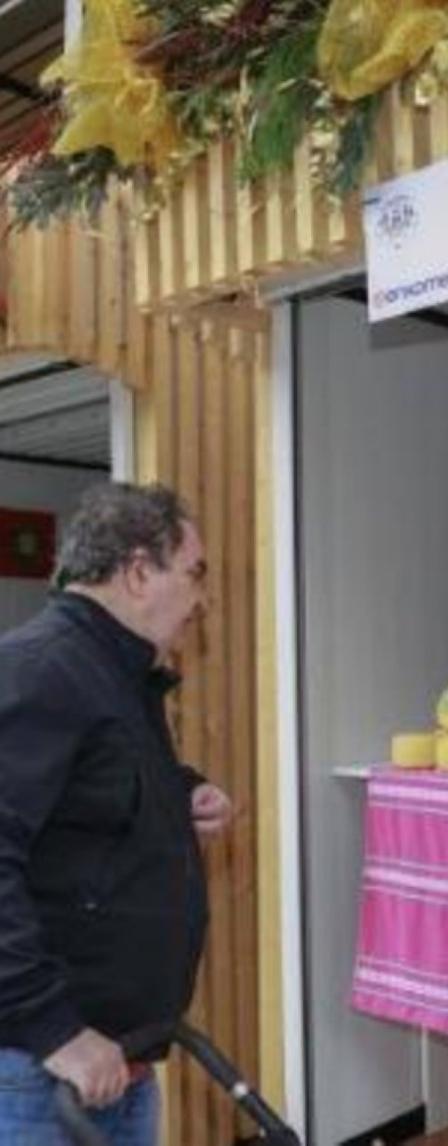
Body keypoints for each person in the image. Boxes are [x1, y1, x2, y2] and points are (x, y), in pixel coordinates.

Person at [0, 482, 232, 1144]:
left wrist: (180, 793)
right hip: (47, 1071)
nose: (201, 601)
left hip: (117, 1063)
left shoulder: (117, 675)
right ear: (136, 572)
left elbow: (86, 797)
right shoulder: (42, 669)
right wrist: (57, 1031)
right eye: (193, 575)